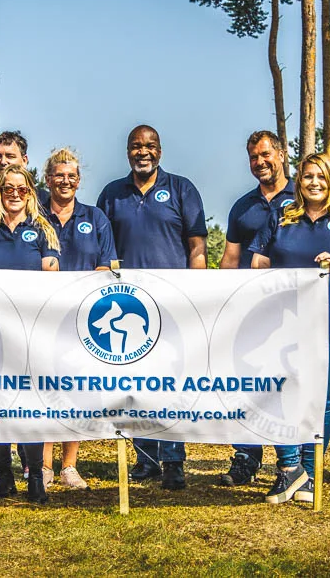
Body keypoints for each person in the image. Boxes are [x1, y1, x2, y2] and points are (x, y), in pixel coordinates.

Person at [250, 153, 330, 504]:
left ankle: (310, 471)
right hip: (282, 323)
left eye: (321, 176)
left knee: (321, 399)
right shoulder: (282, 215)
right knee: (279, 393)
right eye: (307, 177)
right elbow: (259, 259)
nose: (314, 182)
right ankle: (289, 469)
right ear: (299, 182)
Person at [96, 124, 207, 491]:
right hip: (129, 304)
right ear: (127, 151)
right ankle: (145, 459)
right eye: (136, 146)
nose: (143, 152)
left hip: (173, 302)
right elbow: (102, 249)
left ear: (160, 150)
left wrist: (197, 291)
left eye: (150, 146)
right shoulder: (112, 194)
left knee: (170, 382)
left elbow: (196, 247)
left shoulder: (181, 189)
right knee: (137, 381)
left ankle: (173, 460)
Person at [0, 164, 61, 503]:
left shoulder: (42, 231)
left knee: (32, 403)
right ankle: (4, 475)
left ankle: (35, 475)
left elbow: (52, 280)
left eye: (22, 189)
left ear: (31, 193)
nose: (15, 195)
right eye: (8, 189)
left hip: (31, 333)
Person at [217, 130, 295, 487]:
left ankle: (288, 464)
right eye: (253, 157)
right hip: (249, 312)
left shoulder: (304, 196)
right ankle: (246, 458)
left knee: (285, 388)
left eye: (265, 155)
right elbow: (230, 259)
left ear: (281, 154)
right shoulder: (242, 206)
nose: (260, 162)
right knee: (245, 384)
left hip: (292, 311)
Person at [40, 148, 118, 491]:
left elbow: (107, 264)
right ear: (48, 179)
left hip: (82, 319)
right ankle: (41, 465)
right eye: (59, 175)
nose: (65, 181)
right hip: (41, 317)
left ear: (79, 180)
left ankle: (69, 465)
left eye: (71, 176)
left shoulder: (95, 217)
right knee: (43, 389)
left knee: (76, 390)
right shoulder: (35, 214)